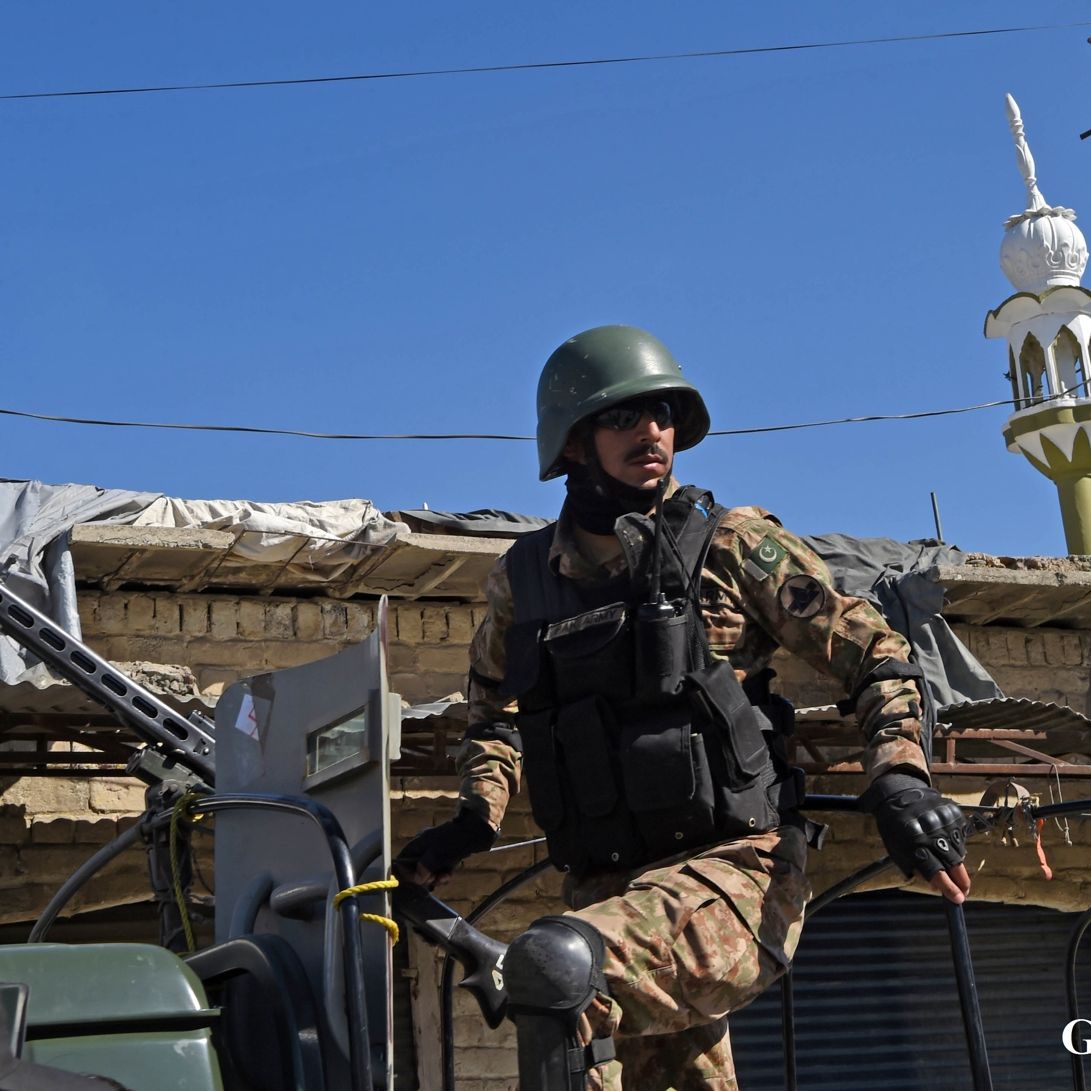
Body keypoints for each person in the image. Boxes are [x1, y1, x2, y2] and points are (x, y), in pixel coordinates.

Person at [395, 325, 971, 1090]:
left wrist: (899, 777)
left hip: (735, 872)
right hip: (608, 886)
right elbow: (493, 714)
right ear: (572, 442)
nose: (650, 430)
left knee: (555, 967)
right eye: (622, 415)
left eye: (662, 412)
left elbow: (876, 655)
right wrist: (475, 817)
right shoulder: (524, 580)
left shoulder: (729, 544)